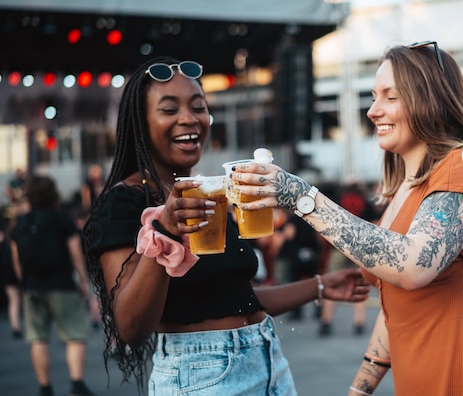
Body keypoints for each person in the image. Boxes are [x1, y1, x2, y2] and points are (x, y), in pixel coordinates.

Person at [232, 41, 463, 395]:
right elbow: (394, 303)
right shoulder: (406, 189)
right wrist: (361, 388)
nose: (372, 110)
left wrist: (301, 197)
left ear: (430, 100)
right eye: (372, 96)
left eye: (390, 97)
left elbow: (413, 266)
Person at [81, 57, 370, 395]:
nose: (189, 119)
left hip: (268, 362)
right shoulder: (125, 202)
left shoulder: (210, 193)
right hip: (202, 375)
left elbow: (236, 302)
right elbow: (130, 328)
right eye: (170, 109)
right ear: (141, 123)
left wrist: (320, 286)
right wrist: (165, 231)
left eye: (198, 107)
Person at [9, 175, 95, 396]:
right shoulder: (61, 219)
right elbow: (75, 252)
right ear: (53, 193)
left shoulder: (21, 222)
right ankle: (77, 383)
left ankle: (45, 387)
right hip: (62, 285)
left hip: (33, 287)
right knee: (74, 336)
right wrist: (82, 279)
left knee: (38, 338)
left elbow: (16, 258)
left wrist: (25, 281)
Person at [319, 182, 379, 337]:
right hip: (359, 249)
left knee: (331, 284)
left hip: (338, 247)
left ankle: (326, 321)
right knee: (359, 284)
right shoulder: (366, 203)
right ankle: (359, 323)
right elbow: (374, 224)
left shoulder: (337, 199)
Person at [276, 211, 323, 320]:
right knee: (315, 283)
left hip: (296, 255)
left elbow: (290, 234)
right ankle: (318, 309)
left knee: (295, 284)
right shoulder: (312, 219)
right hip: (311, 254)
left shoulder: (292, 219)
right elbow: (318, 237)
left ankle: (296, 311)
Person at [1, 216, 22, 339]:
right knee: (18, 300)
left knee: (13, 301)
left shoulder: (4, 239)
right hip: (18, 272)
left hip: (6, 273)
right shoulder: (21, 238)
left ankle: (15, 327)